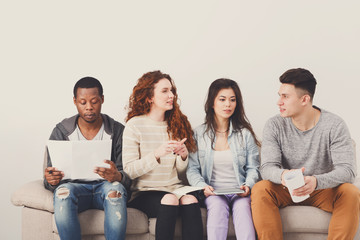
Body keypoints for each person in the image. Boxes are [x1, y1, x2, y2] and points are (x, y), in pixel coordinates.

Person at [251, 68, 360, 240]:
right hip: (286, 188)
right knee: (260, 189)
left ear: (304, 99)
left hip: (322, 188)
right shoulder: (274, 125)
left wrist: (316, 181)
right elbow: (267, 168)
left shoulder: (334, 125)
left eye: (285, 97)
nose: (279, 102)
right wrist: (284, 176)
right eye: (279, 95)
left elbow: (348, 170)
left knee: (351, 192)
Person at [43, 77, 131, 240]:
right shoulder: (61, 131)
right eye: (83, 102)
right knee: (62, 193)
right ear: (75, 102)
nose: (89, 107)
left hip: (106, 187)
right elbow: (49, 179)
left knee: (116, 192)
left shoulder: (117, 130)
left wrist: (117, 176)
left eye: (94, 101)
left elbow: (129, 176)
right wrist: (51, 180)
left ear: (102, 100)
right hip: (74, 189)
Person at [122, 70, 203, 240]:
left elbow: (180, 174)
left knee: (189, 200)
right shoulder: (134, 125)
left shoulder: (176, 125)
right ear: (150, 97)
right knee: (170, 199)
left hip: (175, 189)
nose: (171, 95)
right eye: (165, 91)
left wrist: (183, 157)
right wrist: (156, 155)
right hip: (145, 193)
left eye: (172, 90)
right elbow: (129, 170)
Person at [187, 78, 260, 240]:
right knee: (217, 207)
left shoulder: (245, 134)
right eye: (222, 99)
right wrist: (203, 187)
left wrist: (248, 185)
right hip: (213, 192)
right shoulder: (198, 134)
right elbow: (192, 169)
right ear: (212, 103)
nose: (228, 104)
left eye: (232, 100)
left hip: (239, 192)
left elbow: (253, 168)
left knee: (243, 210)